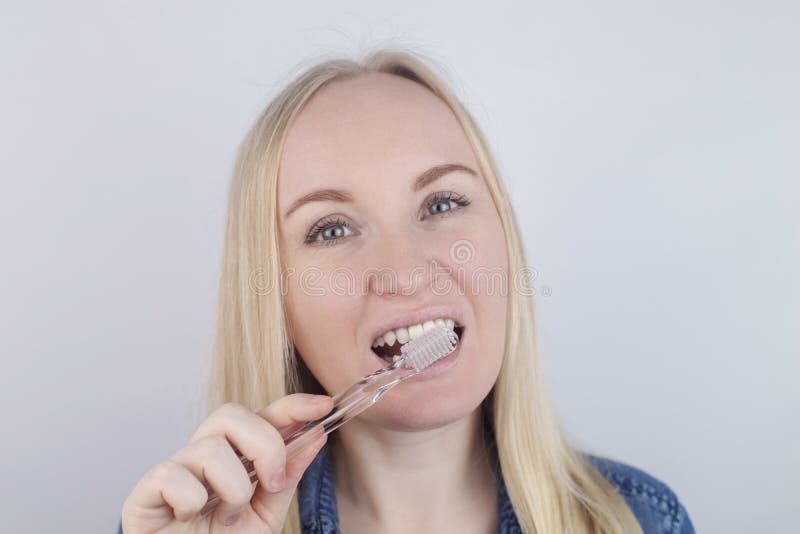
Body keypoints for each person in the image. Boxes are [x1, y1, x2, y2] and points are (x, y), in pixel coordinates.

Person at [119, 48, 696, 533]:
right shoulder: (188, 527)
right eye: (332, 229)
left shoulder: (641, 519)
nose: (406, 272)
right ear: (274, 302)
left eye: (443, 203)